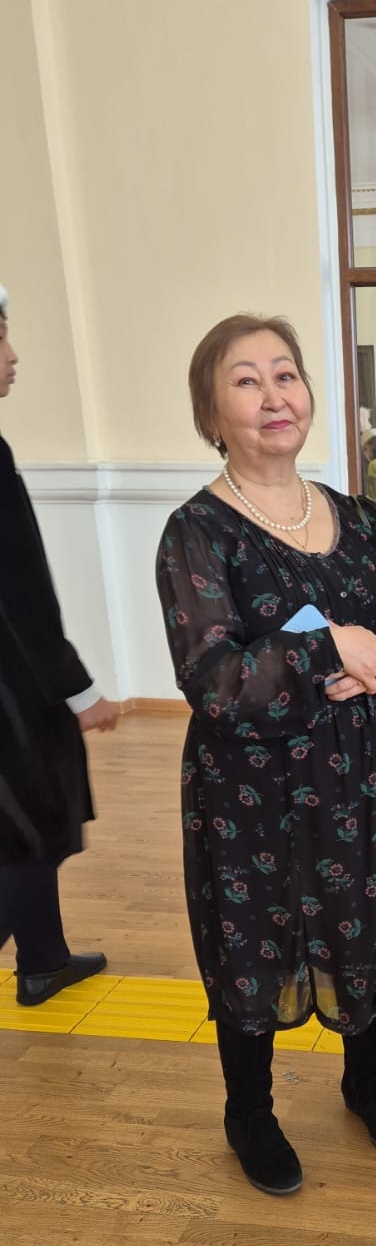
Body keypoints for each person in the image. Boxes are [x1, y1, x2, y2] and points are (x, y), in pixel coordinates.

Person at [155, 313, 376, 1196]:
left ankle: (368, 1081)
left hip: (362, 781)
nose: (273, 395)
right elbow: (213, 679)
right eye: (246, 380)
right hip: (250, 795)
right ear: (211, 413)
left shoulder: (359, 518)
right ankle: (248, 1110)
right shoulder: (197, 531)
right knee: (254, 940)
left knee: (367, 919)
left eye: (285, 374)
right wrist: (331, 648)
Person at [0, 285, 117, 1005]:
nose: (13, 356)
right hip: (11, 689)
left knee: (28, 821)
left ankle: (44, 959)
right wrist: (78, 688)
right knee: (25, 825)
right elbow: (19, 590)